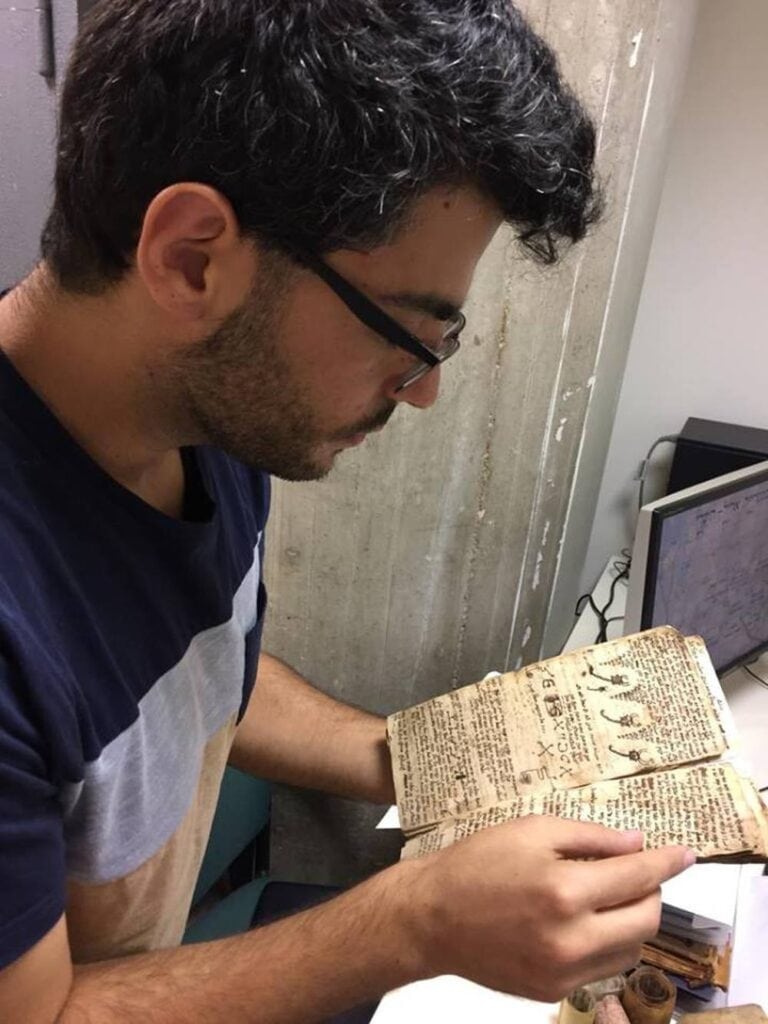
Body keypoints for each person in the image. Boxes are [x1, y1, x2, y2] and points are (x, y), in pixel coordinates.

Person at [0, 2, 694, 1021]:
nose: (422, 391)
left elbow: (195, 680)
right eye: (408, 335)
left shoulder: (205, 420)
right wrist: (412, 921)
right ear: (194, 258)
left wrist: (430, 765)